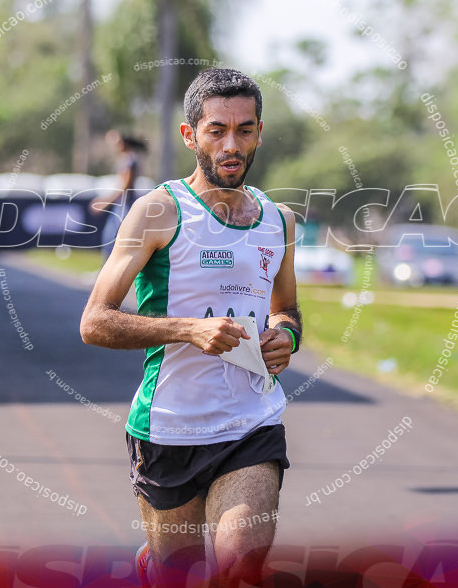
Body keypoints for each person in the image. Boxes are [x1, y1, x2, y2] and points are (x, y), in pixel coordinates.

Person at [80, 68, 302, 586]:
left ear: (259, 133)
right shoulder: (159, 211)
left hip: (252, 424)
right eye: (216, 130)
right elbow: (95, 322)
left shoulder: (281, 221)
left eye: (245, 130)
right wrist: (187, 330)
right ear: (189, 135)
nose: (232, 144)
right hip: (168, 429)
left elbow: (286, 308)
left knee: (241, 565)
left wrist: (286, 336)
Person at [89, 130, 147, 260]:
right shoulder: (126, 159)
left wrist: (105, 202)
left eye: (116, 142)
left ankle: (111, 274)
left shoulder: (129, 160)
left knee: (113, 240)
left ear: (123, 143)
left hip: (125, 206)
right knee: (111, 239)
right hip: (122, 206)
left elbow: (125, 187)